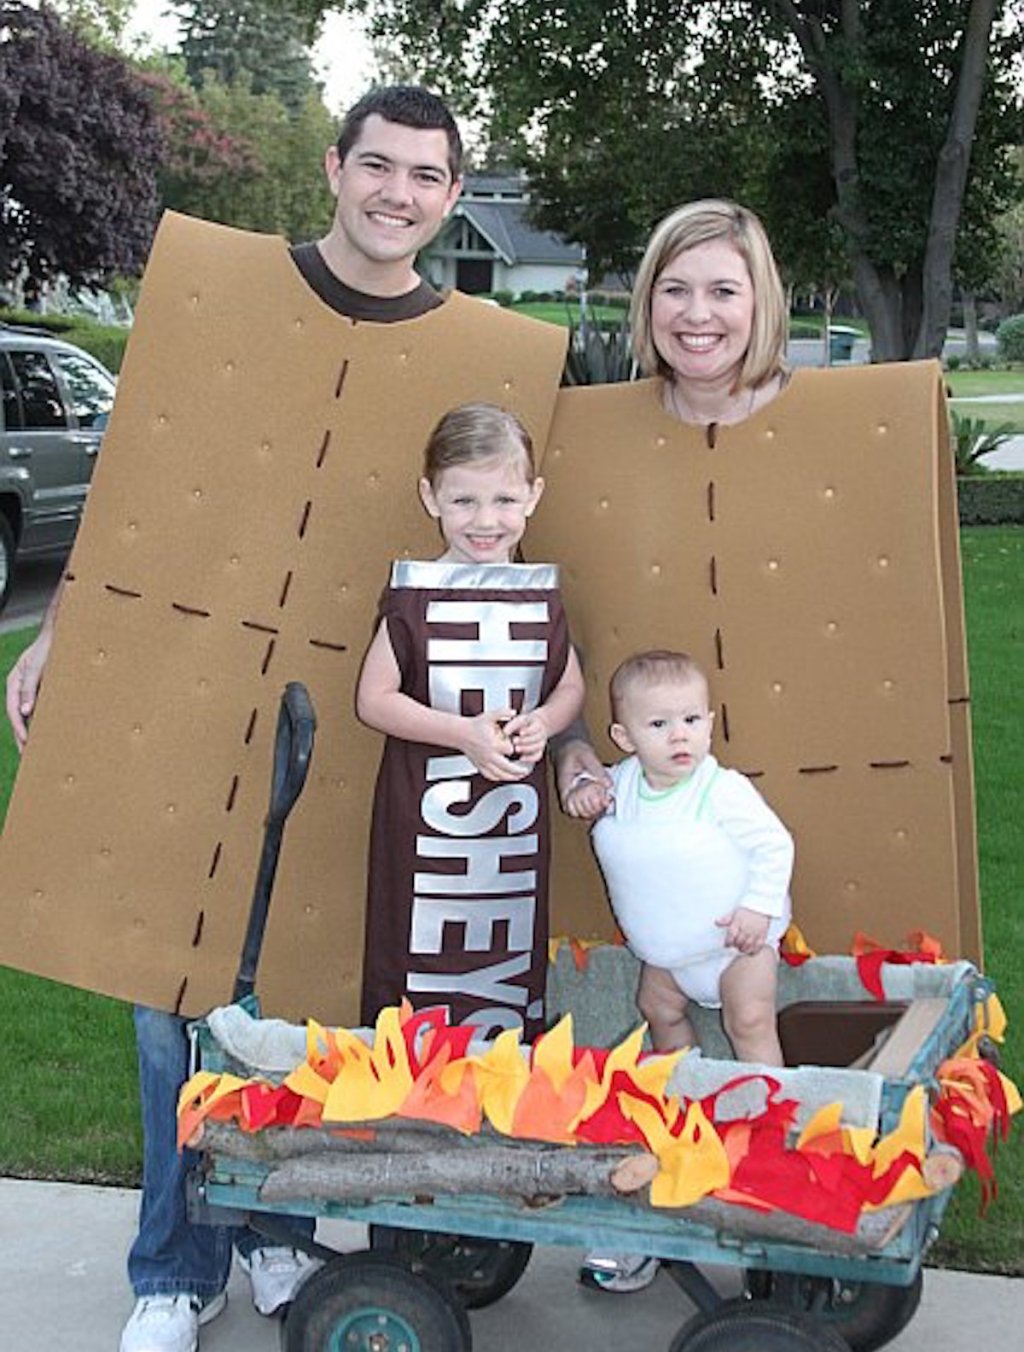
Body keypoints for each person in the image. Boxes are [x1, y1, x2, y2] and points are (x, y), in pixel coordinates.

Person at [5, 85, 468, 1352]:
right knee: (171, 988)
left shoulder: (471, 347)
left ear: (453, 196)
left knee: (302, 991)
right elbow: (139, 474)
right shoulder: (224, 292)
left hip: (345, 694)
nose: (397, 194)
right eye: (378, 166)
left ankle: (273, 1232)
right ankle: (173, 1260)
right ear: (334, 166)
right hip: (192, 673)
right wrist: (60, 633)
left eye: (425, 176)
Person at [552, 199, 791, 1295]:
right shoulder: (589, 441)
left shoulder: (825, 436)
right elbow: (562, 620)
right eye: (675, 287)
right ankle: (648, 1189)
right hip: (645, 846)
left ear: (763, 302)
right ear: (646, 301)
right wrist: (577, 760)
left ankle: (779, 1178)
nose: (698, 313)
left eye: (723, 288)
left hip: (740, 864)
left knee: (751, 1031)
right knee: (656, 1028)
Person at [356, 402, 585, 1038]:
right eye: (464, 502)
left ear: (534, 496)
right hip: (428, 825)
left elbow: (569, 685)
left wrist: (545, 720)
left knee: (504, 972)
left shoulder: (540, 595)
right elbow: (372, 699)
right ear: (430, 498)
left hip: (510, 831)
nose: (486, 522)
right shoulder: (415, 594)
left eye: (505, 500)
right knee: (416, 959)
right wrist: (460, 733)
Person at [573, 649, 792, 1059]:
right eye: (659, 724)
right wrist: (584, 789)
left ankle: (768, 1101)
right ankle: (681, 1079)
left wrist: (758, 908)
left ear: (708, 724)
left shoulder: (720, 789)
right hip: (670, 953)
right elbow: (589, 783)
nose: (679, 735)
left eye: (691, 721)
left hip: (736, 945)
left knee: (749, 1019)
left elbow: (774, 844)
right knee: (656, 1008)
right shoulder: (622, 785)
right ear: (625, 738)